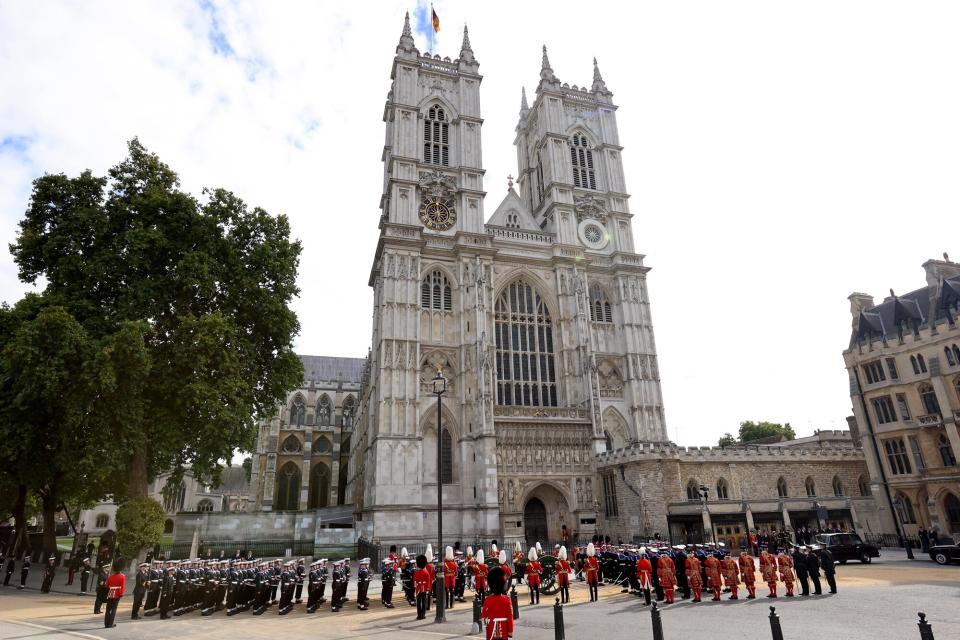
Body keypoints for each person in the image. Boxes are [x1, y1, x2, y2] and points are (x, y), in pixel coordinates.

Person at [481, 567, 514, 640]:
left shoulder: (487, 600)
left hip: (491, 630)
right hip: (504, 631)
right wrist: (510, 633)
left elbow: (484, 616)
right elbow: (510, 618)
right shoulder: (507, 600)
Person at [103, 558, 126, 628]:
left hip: (110, 594)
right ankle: (110, 624)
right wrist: (121, 594)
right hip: (117, 594)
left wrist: (108, 579)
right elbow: (122, 586)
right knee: (113, 610)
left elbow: (106, 585)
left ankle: (106, 623)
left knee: (108, 609)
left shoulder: (110, 576)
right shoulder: (122, 576)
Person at [414, 555, 430, 620]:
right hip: (424, 589)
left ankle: (419, 615)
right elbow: (428, 581)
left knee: (418, 603)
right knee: (423, 602)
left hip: (418, 589)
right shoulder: (426, 573)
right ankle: (423, 615)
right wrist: (428, 589)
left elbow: (415, 581)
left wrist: (416, 586)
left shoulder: (416, 573)